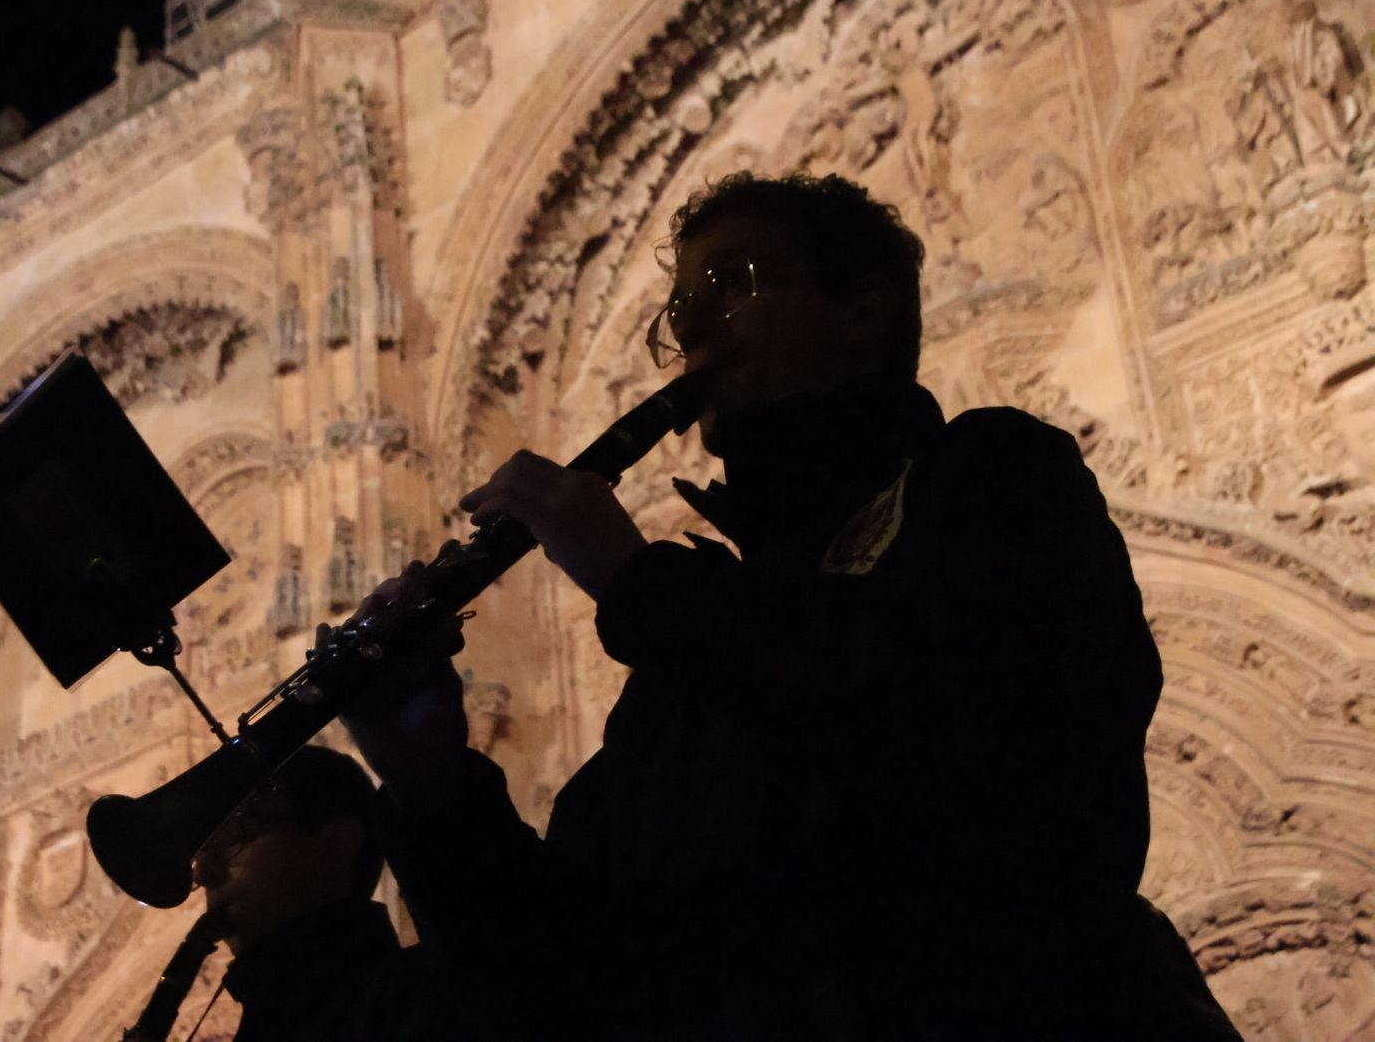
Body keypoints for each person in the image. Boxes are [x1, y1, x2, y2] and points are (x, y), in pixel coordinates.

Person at [341, 173, 1242, 1040]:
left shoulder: (993, 476)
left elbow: (957, 738)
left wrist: (638, 582)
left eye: (729, 283)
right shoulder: (681, 676)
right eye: (677, 305)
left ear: (862, 310)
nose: (688, 322)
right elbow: (567, 977)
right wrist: (432, 783)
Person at [191, 745, 442, 1042]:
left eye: (237, 836)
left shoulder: (420, 1001)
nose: (203, 873)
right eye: (201, 849)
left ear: (335, 844)